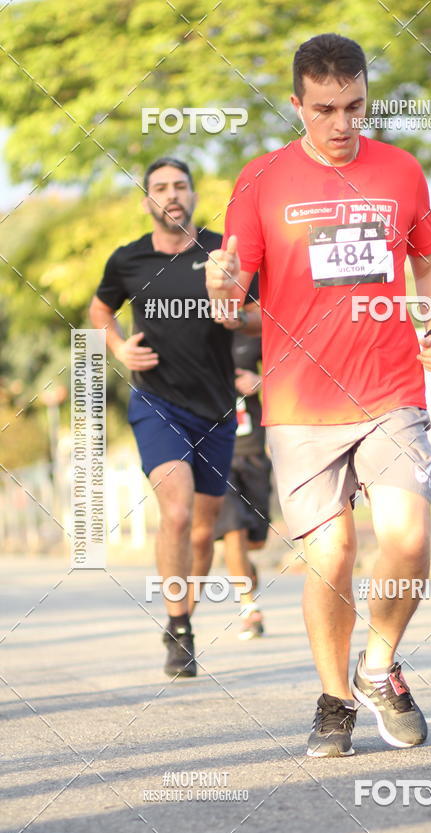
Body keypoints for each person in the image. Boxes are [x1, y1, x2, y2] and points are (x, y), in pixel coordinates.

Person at [207, 33, 431, 757]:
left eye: (354, 106)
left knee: (409, 541)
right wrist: (221, 283)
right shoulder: (261, 182)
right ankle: (333, 699)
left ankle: (379, 667)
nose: (342, 124)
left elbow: (430, 265)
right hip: (301, 402)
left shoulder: (401, 170)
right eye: (325, 109)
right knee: (332, 554)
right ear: (297, 105)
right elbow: (231, 298)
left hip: (390, 388)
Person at [89, 157, 260, 678]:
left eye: (180, 186)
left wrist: (234, 311)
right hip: (155, 402)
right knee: (179, 513)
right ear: (148, 201)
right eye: (160, 187)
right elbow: (99, 311)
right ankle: (178, 625)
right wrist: (118, 347)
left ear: (192, 195)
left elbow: (260, 318)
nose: (172, 195)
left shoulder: (221, 252)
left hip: (216, 409)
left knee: (203, 530)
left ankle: (184, 614)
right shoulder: (128, 260)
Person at [213, 331, 272, 640]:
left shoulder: (253, 330)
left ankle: (244, 569)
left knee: (256, 540)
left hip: (254, 450)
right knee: (233, 529)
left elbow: (290, 370)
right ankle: (249, 608)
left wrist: (260, 381)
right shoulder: (198, 333)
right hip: (218, 451)